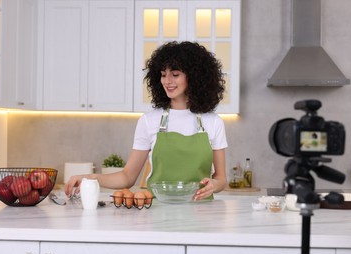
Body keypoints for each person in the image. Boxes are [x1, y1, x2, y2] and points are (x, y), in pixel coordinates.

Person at [64, 41, 228, 201]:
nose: (167, 81)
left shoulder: (213, 122)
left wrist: (214, 184)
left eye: (175, 75)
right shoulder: (150, 120)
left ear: (194, 77)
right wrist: (91, 178)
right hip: (158, 212)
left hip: (202, 212)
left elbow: (221, 179)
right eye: (163, 75)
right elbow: (127, 177)